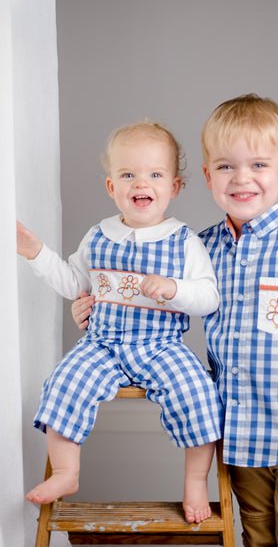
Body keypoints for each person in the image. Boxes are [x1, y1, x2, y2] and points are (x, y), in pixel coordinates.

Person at [72, 95, 278, 546]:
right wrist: (91, 309)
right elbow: (142, 302)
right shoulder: (198, 248)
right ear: (207, 177)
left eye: (259, 165)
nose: (242, 178)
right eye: (226, 167)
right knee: (256, 538)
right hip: (240, 438)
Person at [17, 120, 224, 524]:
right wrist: (36, 253)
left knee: (199, 394)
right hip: (103, 343)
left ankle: (196, 481)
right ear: (112, 187)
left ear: (175, 187)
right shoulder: (98, 236)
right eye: (128, 174)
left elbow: (209, 296)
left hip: (161, 345)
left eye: (155, 174)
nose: (140, 182)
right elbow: (75, 283)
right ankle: (66, 471)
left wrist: (175, 288)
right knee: (64, 383)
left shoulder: (184, 241)